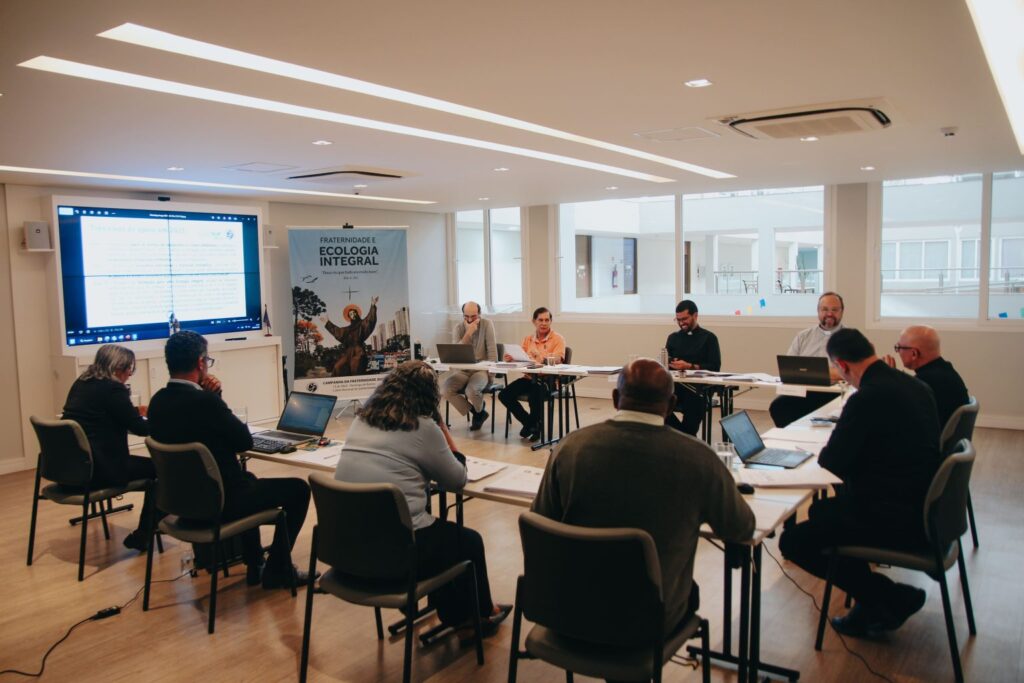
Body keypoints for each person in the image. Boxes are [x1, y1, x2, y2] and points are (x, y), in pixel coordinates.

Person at [532, 358, 754, 638]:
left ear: (615, 398)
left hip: (568, 611)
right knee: (690, 590)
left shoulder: (570, 447)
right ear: (672, 405)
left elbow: (539, 521)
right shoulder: (700, 459)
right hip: (649, 621)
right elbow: (741, 528)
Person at [779, 328, 942, 637]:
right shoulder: (915, 385)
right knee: (820, 511)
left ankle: (886, 597)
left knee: (793, 542)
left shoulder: (867, 398)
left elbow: (832, 462)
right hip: (924, 505)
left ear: (842, 365)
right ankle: (877, 600)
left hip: (892, 514)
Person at [334, 361, 510, 636]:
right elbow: (457, 479)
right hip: (396, 555)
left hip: (347, 547)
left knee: (439, 535)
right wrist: (442, 429)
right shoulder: (423, 427)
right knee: (467, 541)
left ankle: (452, 611)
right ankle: (479, 616)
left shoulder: (361, 419)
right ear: (429, 396)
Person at [147, 331, 312, 589]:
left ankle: (255, 563)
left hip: (182, 503)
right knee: (298, 489)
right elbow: (243, 441)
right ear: (200, 362)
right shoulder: (206, 402)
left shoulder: (157, 402)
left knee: (248, 478)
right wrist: (216, 396)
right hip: (221, 503)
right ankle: (278, 570)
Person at [61, 344, 155, 551]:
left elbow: (100, 412)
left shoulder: (82, 382)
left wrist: (134, 411)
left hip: (71, 469)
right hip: (102, 469)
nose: (129, 375)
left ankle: (147, 533)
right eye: (129, 369)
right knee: (161, 470)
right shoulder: (113, 389)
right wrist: (166, 421)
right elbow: (140, 428)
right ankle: (145, 534)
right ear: (118, 368)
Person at [769, 291, 846, 427]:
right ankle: (793, 437)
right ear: (818, 311)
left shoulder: (851, 338)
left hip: (835, 393)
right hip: (804, 391)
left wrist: (821, 372)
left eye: (834, 310)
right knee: (778, 407)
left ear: (842, 312)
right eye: (825, 309)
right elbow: (789, 367)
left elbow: (851, 371)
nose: (829, 314)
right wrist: (830, 371)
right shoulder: (803, 336)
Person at [498, 307, 566, 441]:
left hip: (548, 380)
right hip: (529, 377)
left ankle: (532, 426)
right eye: (540, 320)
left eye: (547, 320)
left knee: (535, 395)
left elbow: (558, 359)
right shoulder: (528, 339)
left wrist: (542, 358)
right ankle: (531, 424)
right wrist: (512, 359)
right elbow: (522, 359)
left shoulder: (558, 339)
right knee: (504, 395)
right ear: (534, 321)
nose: (544, 323)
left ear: (551, 321)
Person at [884, 325, 969, 430]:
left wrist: (888, 381)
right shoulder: (945, 370)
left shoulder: (926, 382)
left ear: (914, 354)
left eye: (898, 348)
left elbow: (897, 413)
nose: (898, 352)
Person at [665, 300, 721, 436]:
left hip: (698, 390)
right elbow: (666, 363)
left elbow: (715, 367)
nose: (681, 323)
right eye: (678, 320)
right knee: (654, 401)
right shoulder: (673, 338)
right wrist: (670, 363)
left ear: (695, 315)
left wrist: (690, 366)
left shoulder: (709, 338)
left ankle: (684, 436)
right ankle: (684, 437)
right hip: (676, 387)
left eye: (684, 319)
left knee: (693, 406)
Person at [440, 301, 498, 431]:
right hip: (463, 371)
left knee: (471, 391)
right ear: (463, 315)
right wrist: (468, 333)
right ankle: (478, 413)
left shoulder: (487, 324)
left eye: (473, 316)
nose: (470, 320)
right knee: (445, 390)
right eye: (466, 316)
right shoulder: (458, 328)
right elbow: (455, 353)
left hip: (481, 371)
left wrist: (491, 377)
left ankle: (478, 411)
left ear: (480, 314)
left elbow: (492, 352)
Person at [319, 295, 379, 376]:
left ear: (357, 314)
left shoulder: (362, 324)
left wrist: (372, 305)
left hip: (358, 351)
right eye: (351, 314)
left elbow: (370, 320)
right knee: (337, 367)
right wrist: (327, 323)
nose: (352, 315)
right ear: (349, 317)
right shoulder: (347, 329)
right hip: (348, 352)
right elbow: (338, 332)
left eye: (354, 313)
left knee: (356, 367)